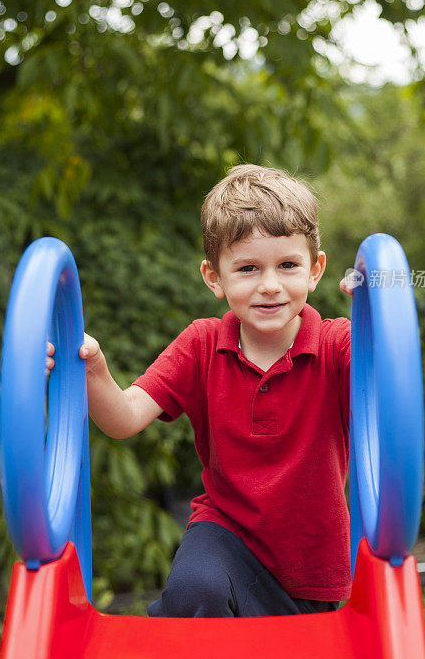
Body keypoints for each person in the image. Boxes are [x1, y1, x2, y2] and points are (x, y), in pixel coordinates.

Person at [46, 164, 353, 617]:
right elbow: (125, 418)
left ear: (315, 270)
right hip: (225, 534)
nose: (270, 285)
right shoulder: (202, 344)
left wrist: (378, 310)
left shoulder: (336, 343)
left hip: (309, 561)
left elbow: (386, 379)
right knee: (195, 591)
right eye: (248, 268)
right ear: (214, 278)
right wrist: (91, 370)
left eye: (287, 265)